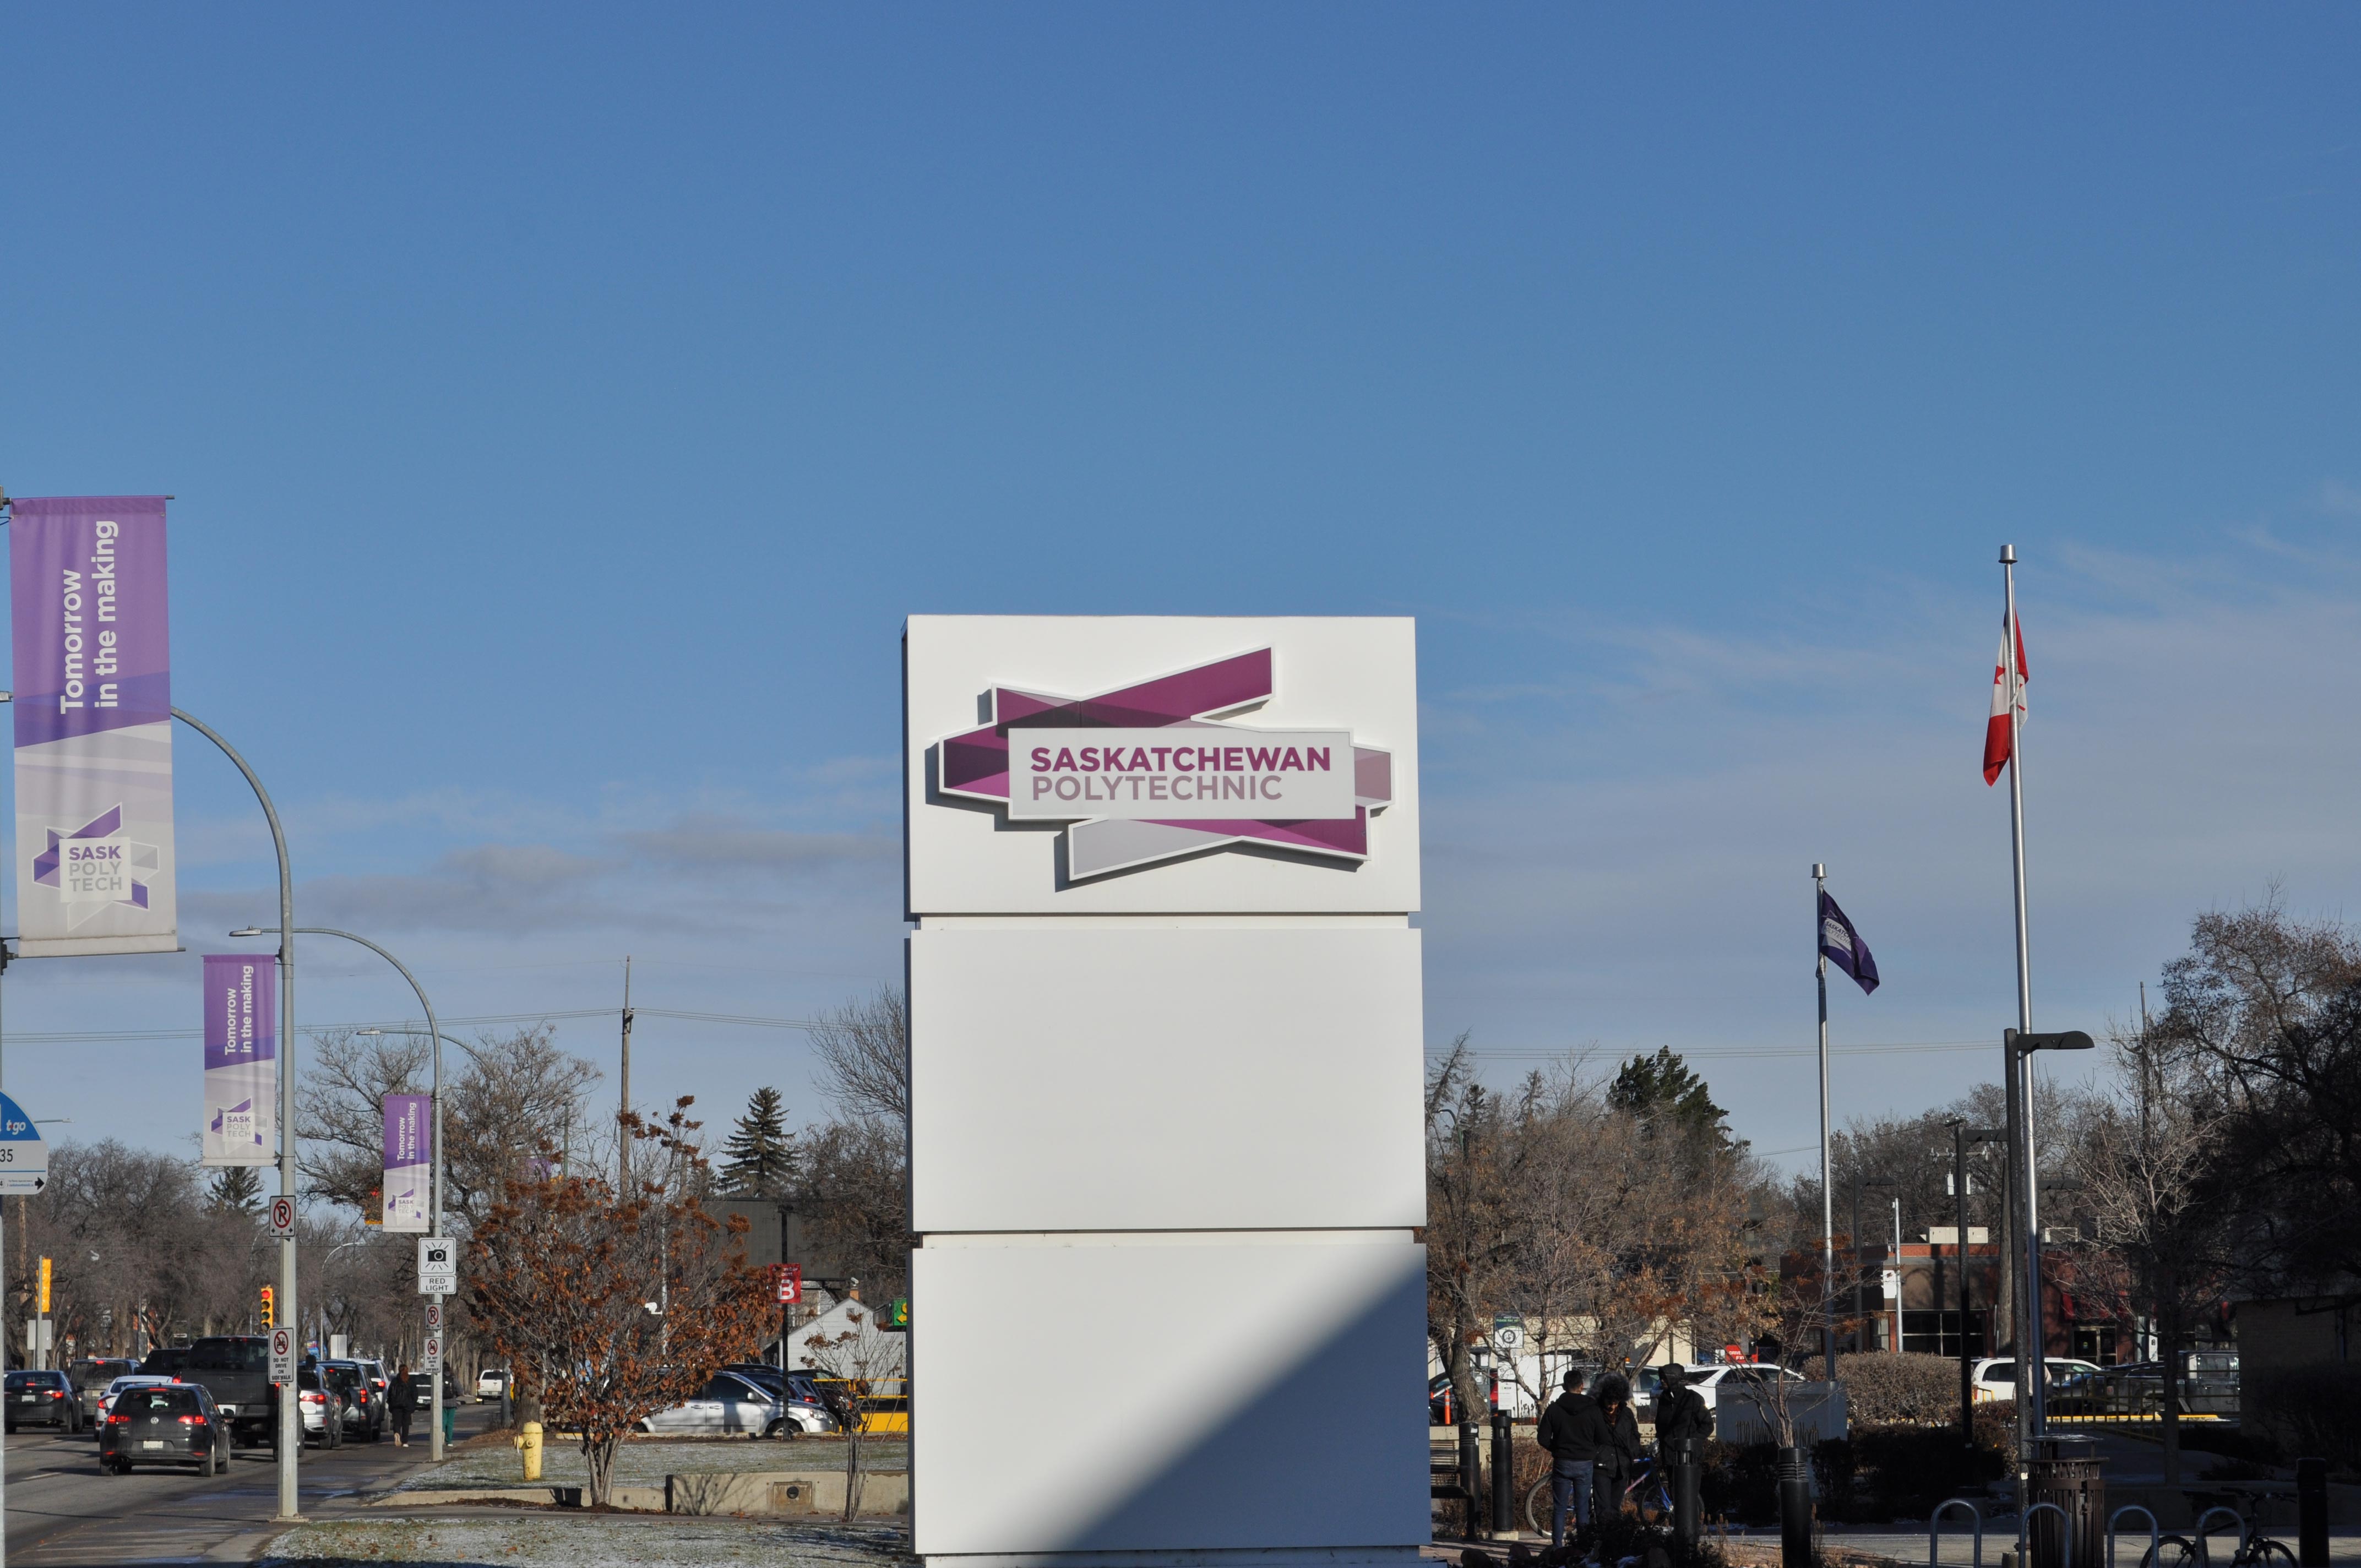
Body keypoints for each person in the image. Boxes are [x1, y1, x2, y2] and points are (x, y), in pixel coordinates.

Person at [1533, 1369, 1608, 1549]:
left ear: (1564, 1386)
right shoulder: (1592, 1409)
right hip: (1584, 1462)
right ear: (1582, 1386)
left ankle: (1557, 1546)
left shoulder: (1554, 1409)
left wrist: (1557, 1449)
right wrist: (1591, 1451)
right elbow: (1604, 1437)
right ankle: (1582, 1545)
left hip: (1562, 1461)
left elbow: (1543, 1438)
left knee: (1559, 1507)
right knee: (1582, 1507)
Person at [1590, 1374, 1642, 1530]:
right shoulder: (1594, 1413)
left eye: (1615, 1402)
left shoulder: (1626, 1414)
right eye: (1609, 1402)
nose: (1612, 1406)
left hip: (1622, 1465)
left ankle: (1613, 1538)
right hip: (1601, 1464)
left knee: (1615, 1506)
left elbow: (1634, 1434)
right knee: (1603, 1507)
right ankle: (1604, 1538)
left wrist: (1633, 1452)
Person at [389, 1360, 417, 1447]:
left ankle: (397, 1434)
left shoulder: (394, 1381)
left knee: (397, 1423)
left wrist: (391, 1403)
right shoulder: (410, 1381)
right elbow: (415, 1394)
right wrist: (413, 1404)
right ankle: (405, 1442)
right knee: (406, 1424)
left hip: (396, 1406)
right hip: (407, 1406)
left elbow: (390, 1393)